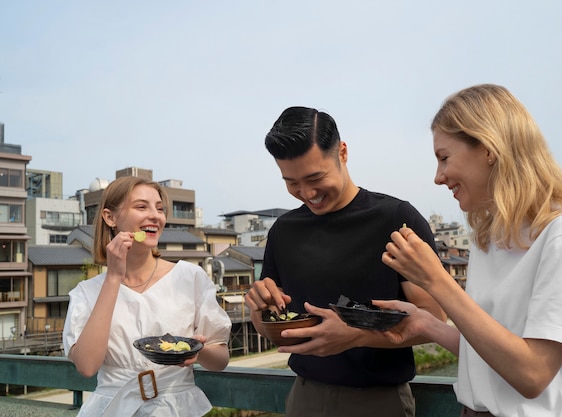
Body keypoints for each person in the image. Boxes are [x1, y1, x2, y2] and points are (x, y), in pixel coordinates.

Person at [376, 84, 562, 416]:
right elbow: (496, 358)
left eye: (444, 158)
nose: (438, 177)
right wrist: (428, 326)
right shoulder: (489, 238)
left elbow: (532, 374)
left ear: (488, 148)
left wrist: (438, 282)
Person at [244, 106, 446, 417]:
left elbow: (435, 319)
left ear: (343, 152)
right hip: (304, 396)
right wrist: (258, 308)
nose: (307, 193)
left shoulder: (396, 219)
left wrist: (358, 336)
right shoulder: (283, 231)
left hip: (379, 400)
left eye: (315, 177)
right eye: (291, 182)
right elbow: (271, 325)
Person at [62, 176, 232, 417]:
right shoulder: (86, 292)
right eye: (142, 207)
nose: (156, 216)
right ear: (110, 218)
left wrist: (196, 350)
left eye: (160, 209)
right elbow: (87, 366)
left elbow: (220, 360)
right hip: (112, 407)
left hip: (176, 408)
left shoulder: (190, 277)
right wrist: (113, 278)